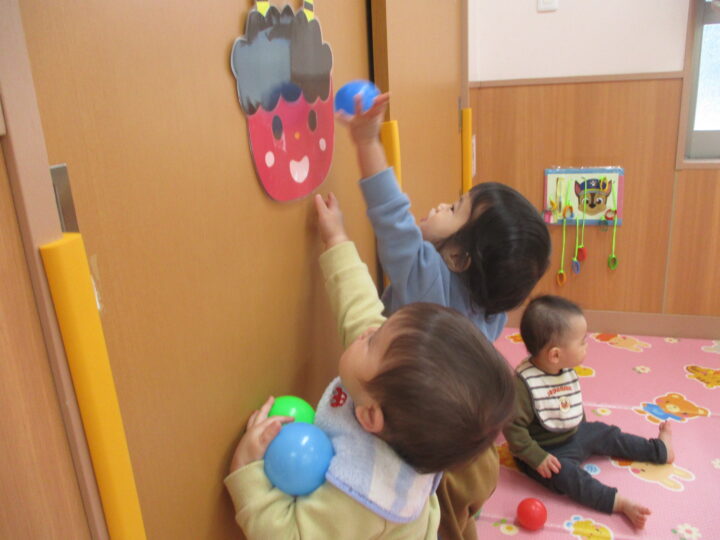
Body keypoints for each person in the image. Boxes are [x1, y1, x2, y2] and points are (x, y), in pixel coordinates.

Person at [224, 194, 515, 539]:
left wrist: (247, 471)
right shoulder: (390, 397)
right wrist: (336, 240)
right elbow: (361, 310)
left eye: (374, 340)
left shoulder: (363, 497)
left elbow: (289, 536)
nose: (368, 330)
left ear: (370, 417)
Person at [337, 93, 551, 539]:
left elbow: (392, 218)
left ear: (458, 257)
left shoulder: (427, 285)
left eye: (454, 209)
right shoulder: (491, 313)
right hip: (451, 439)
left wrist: (366, 141)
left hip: (402, 428)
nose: (438, 207)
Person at [504, 295, 675, 530]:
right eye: (582, 341)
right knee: (568, 477)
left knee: (608, 434)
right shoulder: (524, 384)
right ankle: (617, 502)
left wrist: (583, 427)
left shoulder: (561, 368)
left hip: (575, 433)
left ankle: (659, 450)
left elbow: (567, 403)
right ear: (555, 354)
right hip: (546, 452)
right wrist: (536, 457)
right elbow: (512, 427)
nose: (587, 344)